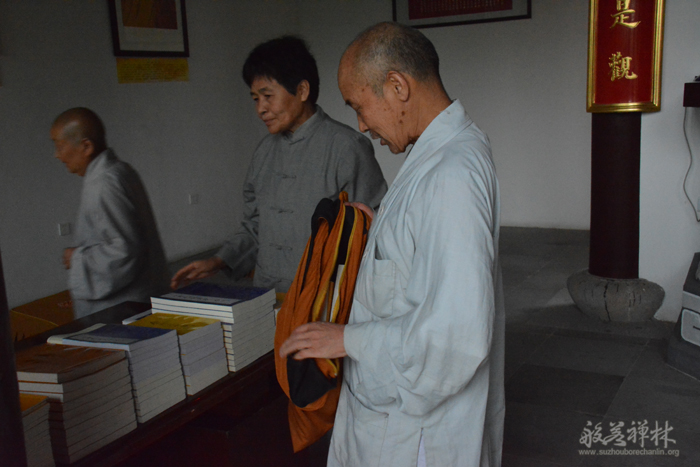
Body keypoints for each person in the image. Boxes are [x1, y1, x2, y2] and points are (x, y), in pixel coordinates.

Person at [279, 22, 505, 466]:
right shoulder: (439, 154)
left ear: (398, 86)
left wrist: (346, 340)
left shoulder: (452, 174)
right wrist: (383, 227)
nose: (362, 125)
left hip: (412, 436)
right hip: (393, 418)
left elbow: (455, 337)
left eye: (359, 106)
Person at [171, 36, 387, 293]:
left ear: (302, 91)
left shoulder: (347, 148)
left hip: (323, 298)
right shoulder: (264, 153)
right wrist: (218, 261)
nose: (260, 109)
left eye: (267, 96)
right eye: (255, 98)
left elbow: (372, 232)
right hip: (265, 295)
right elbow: (255, 226)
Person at [52, 107, 169, 319]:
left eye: (60, 146)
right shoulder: (122, 170)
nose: (57, 155)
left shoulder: (103, 184)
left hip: (122, 309)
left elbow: (125, 251)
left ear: (86, 146)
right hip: (142, 296)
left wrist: (76, 258)